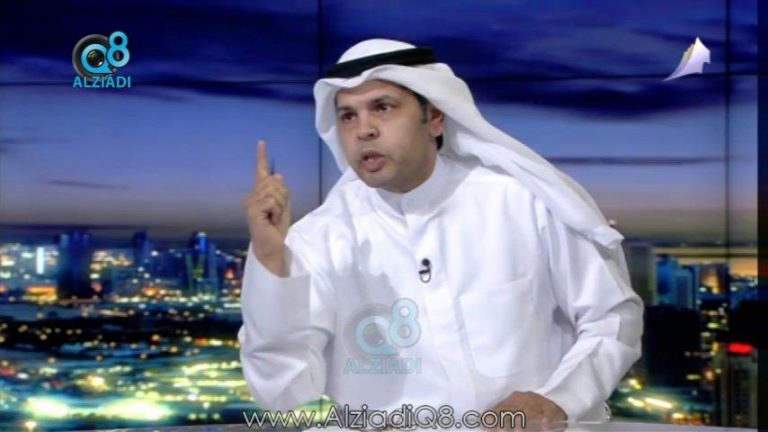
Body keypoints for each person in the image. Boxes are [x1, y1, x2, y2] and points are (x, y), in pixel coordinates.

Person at [239, 38, 644, 427]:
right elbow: (283, 389)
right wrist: (271, 263)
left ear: (434, 117)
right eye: (348, 116)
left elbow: (611, 318)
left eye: (382, 107)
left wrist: (557, 400)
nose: (363, 130)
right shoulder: (321, 238)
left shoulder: (521, 202)